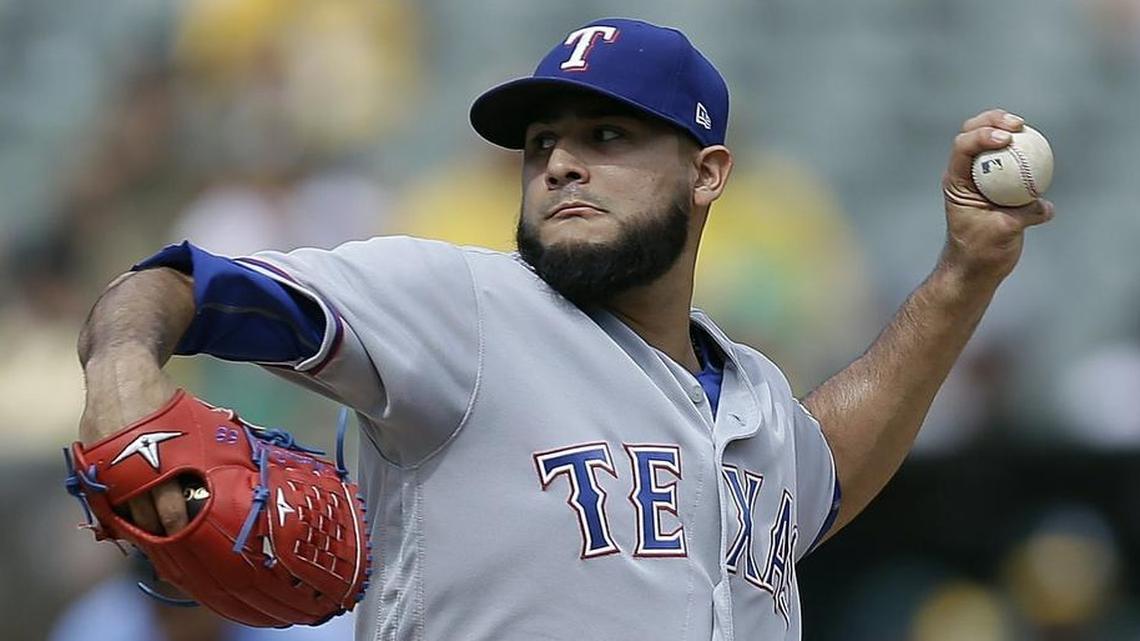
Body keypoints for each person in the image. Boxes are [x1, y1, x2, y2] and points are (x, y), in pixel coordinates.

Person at [75, 17, 1054, 641]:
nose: (561, 165)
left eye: (609, 136)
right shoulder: (459, 306)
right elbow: (174, 284)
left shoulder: (751, 396)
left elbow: (822, 471)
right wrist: (128, 387)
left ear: (708, 173)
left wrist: (966, 273)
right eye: (543, 143)